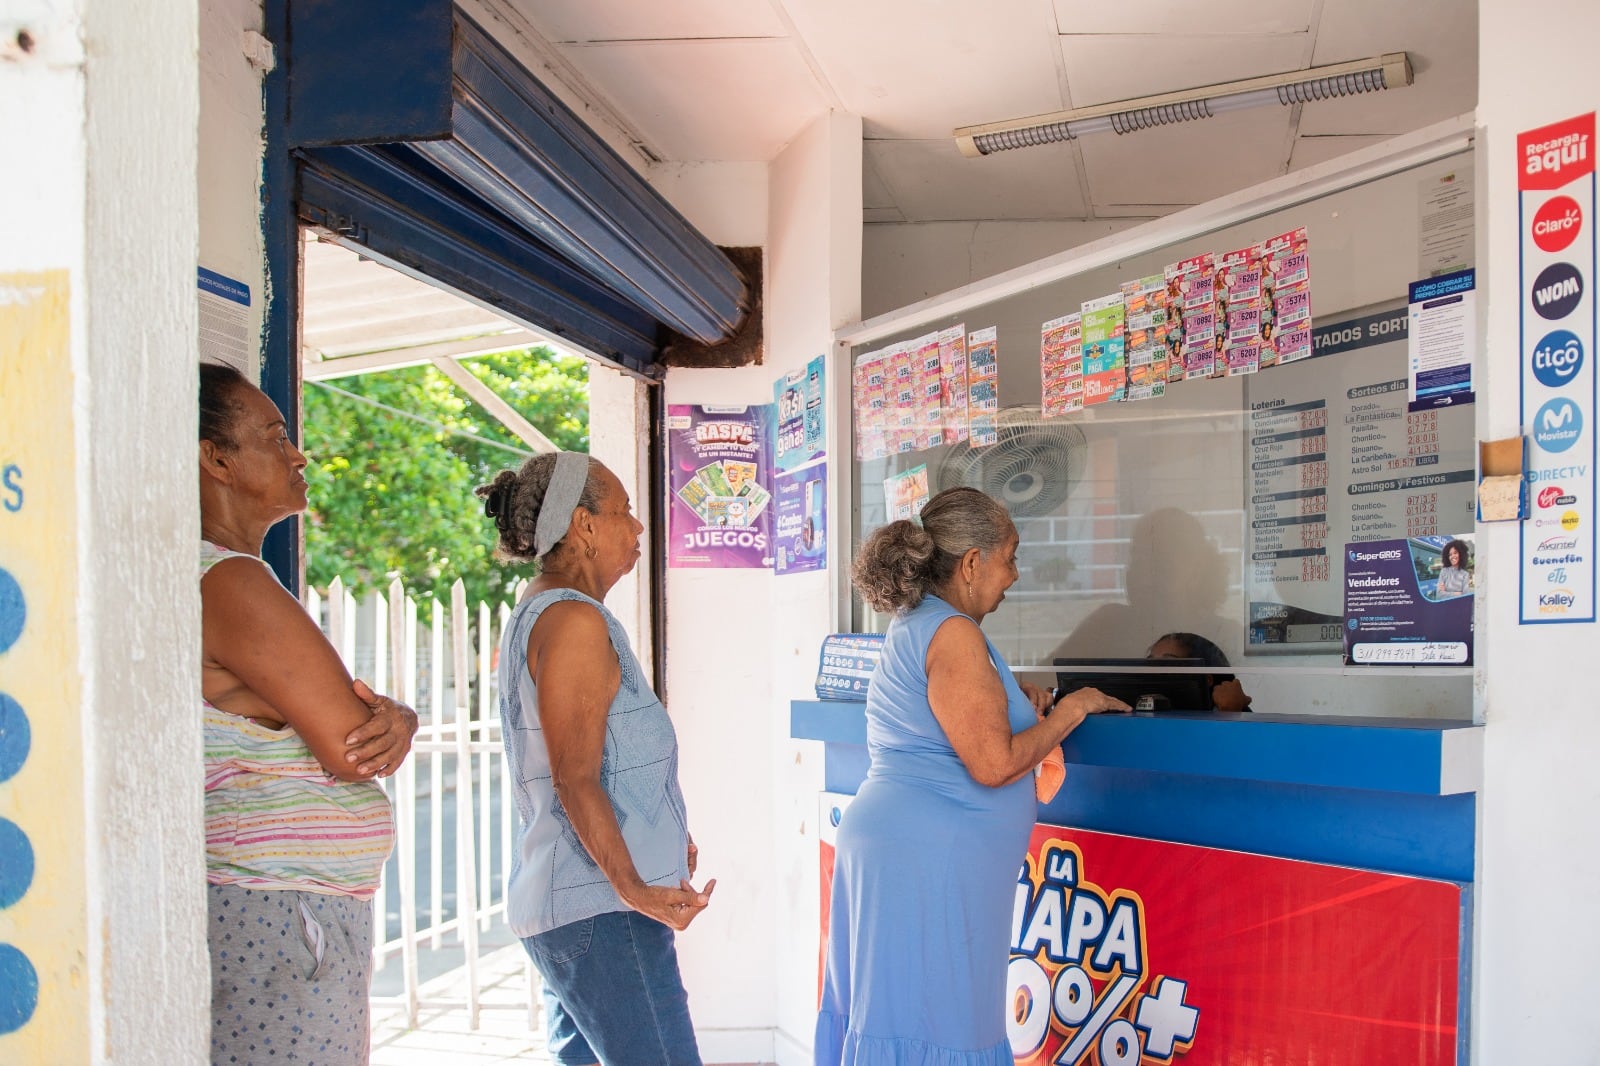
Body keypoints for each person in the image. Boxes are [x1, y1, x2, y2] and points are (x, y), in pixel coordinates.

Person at [815, 487, 1128, 1065]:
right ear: (972, 563)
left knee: (908, 1019)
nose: (1014, 574)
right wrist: (1070, 711)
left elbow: (965, 723)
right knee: (940, 1023)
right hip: (926, 861)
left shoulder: (929, 624)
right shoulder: (953, 633)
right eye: (1010, 555)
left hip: (915, 854)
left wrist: (1018, 701)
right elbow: (993, 764)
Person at [198, 363, 419, 1063]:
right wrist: (398, 722)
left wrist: (400, 716)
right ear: (216, 459)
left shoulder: (218, 573)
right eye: (274, 436)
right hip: (276, 915)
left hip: (277, 910)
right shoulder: (229, 579)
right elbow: (354, 744)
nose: (298, 455)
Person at [480, 451, 714, 1066]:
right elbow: (575, 777)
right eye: (624, 512)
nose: (637, 529)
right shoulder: (572, 621)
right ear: (583, 525)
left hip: (582, 910)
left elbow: (604, 762)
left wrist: (665, 832)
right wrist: (635, 887)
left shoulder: (552, 610)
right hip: (601, 911)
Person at [1147, 631, 1252, 712]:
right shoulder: (1149, 708)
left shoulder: (1231, 709)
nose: (1154, 670)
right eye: (1150, 663)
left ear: (1206, 679)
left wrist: (1230, 714)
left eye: (1168, 662)